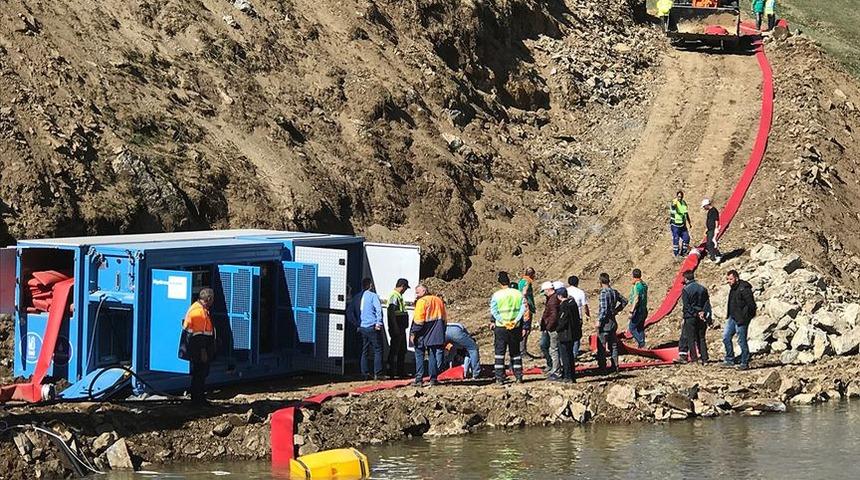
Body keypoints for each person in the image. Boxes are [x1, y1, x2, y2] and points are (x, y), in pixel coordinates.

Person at [489, 271, 526, 384]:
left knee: (499, 353)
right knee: (515, 352)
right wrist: (515, 321)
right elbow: (523, 308)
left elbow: (494, 311)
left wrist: (502, 321)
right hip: (515, 327)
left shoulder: (497, 295)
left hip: (501, 327)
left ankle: (499, 378)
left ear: (500, 282)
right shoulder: (518, 294)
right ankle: (518, 376)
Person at [183, 287, 216, 404]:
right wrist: (203, 352)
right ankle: (198, 399)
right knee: (200, 374)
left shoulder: (198, 308)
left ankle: (198, 398)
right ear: (208, 299)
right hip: (199, 349)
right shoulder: (199, 313)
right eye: (212, 299)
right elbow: (200, 335)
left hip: (196, 348)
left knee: (199, 374)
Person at [410, 285, 447, 387]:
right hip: (436, 331)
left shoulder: (422, 302)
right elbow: (444, 318)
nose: (416, 295)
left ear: (424, 291)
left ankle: (419, 379)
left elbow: (418, 321)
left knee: (419, 354)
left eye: (417, 292)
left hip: (422, 332)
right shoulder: (439, 300)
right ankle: (433, 379)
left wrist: (413, 333)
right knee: (433, 356)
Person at [723, 270, 756, 370]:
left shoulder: (744, 288)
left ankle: (744, 362)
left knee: (741, 340)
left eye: (730, 279)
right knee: (726, 337)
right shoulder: (732, 288)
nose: (729, 281)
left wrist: (746, 317)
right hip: (732, 317)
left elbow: (751, 305)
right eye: (727, 279)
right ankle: (729, 359)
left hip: (742, 319)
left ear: (736, 278)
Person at [677, 270, 712, 364]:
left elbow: (687, 306)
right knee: (701, 338)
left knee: (691, 338)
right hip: (701, 316)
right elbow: (707, 303)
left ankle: (694, 359)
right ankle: (705, 358)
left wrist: (693, 313)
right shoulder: (702, 288)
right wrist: (703, 313)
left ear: (686, 278)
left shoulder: (686, 290)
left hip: (690, 317)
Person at [597, 273, 627, 374]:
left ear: (600, 282)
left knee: (602, 346)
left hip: (605, 323)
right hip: (613, 322)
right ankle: (615, 366)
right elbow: (624, 301)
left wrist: (599, 321)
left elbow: (604, 309)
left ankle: (603, 368)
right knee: (613, 346)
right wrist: (616, 310)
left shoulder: (603, 293)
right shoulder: (614, 292)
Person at [358, 278, 384, 380]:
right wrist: (379, 323)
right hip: (372, 326)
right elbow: (379, 310)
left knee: (364, 350)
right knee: (378, 349)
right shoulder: (373, 296)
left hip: (363, 326)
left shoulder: (360, 297)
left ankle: (364, 373)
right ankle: (378, 373)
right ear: (370, 285)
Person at [555, 287, 581, 383]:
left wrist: (557, 329)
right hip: (573, 333)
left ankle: (567, 376)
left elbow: (563, 320)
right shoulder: (573, 304)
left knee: (565, 356)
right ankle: (572, 376)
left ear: (559, 296)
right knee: (570, 355)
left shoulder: (564, 306)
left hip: (565, 334)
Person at [386, 278, 411, 378]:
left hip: (401, 327)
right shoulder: (394, 295)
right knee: (394, 350)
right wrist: (395, 326)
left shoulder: (399, 296)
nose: (405, 290)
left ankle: (400, 371)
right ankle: (390, 371)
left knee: (402, 350)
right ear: (402, 286)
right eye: (405, 288)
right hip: (397, 327)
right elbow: (391, 312)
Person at [540, 281, 562, 379]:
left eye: (544, 291)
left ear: (549, 289)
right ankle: (555, 368)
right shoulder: (552, 298)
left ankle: (556, 370)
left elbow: (553, 315)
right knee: (552, 349)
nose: (544, 293)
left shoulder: (553, 300)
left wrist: (548, 326)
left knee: (554, 350)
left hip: (553, 329)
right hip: (552, 327)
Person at [566, 276, 590, 358]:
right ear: (577, 283)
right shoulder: (580, 292)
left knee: (568, 334)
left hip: (567, 317)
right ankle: (574, 353)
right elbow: (585, 305)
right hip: (577, 317)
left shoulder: (566, 291)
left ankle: (568, 353)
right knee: (577, 336)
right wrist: (587, 314)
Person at [518, 268, 538, 358]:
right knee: (525, 329)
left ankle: (522, 350)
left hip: (520, 307)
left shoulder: (521, 281)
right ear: (531, 274)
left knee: (522, 328)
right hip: (527, 307)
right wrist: (526, 303)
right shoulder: (528, 281)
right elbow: (524, 293)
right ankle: (522, 351)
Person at [627, 269, 649, 348]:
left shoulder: (637, 286)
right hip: (644, 309)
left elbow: (636, 299)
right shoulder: (644, 285)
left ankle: (641, 342)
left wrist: (631, 311)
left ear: (633, 276)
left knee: (632, 328)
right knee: (640, 327)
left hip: (638, 310)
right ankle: (641, 345)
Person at [669, 190, 692, 259]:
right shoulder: (674, 202)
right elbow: (673, 206)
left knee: (686, 238)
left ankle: (684, 252)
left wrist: (689, 222)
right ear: (677, 196)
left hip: (682, 225)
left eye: (681, 197)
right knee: (676, 239)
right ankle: (676, 254)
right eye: (678, 197)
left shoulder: (683, 203)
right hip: (675, 226)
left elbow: (686, 213)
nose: (679, 198)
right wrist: (675, 204)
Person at [701, 198, 722, 263]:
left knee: (710, 243)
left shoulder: (713, 211)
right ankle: (715, 255)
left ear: (707, 205)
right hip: (710, 229)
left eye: (704, 206)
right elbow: (710, 221)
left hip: (713, 229)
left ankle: (715, 257)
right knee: (709, 243)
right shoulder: (710, 211)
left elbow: (716, 220)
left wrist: (716, 228)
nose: (704, 208)